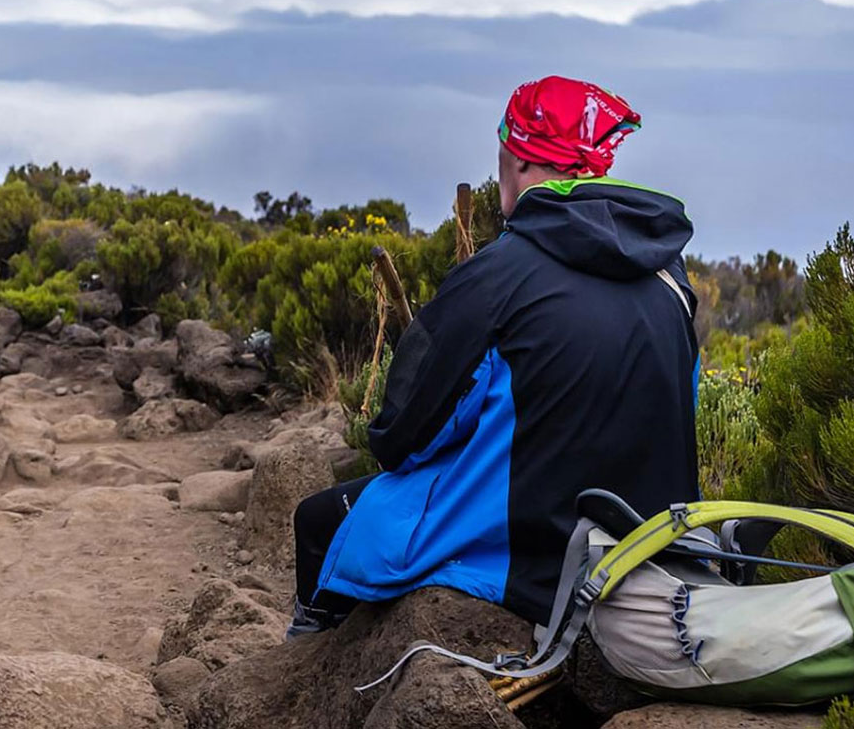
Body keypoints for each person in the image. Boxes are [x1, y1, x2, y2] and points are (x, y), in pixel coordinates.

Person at [289, 75, 701, 638]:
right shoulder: (669, 277)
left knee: (318, 522)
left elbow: (401, 436)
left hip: (529, 562)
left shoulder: (495, 276)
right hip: (649, 552)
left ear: (522, 163)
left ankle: (305, 670)